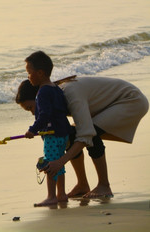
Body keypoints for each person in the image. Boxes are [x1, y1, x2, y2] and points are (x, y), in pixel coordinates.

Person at [16, 75, 148, 199]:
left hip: (130, 100)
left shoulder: (68, 94)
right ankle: (82, 184)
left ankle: (104, 185)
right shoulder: (54, 97)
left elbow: (86, 135)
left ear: (40, 97)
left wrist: (60, 162)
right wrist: (50, 156)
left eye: (31, 107)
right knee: (72, 135)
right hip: (107, 106)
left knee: (91, 135)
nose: (33, 113)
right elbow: (62, 134)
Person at [18, 51, 72, 206]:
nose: (28, 77)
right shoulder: (55, 88)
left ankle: (51, 196)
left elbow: (44, 115)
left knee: (50, 165)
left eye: (29, 73)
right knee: (58, 163)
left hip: (52, 135)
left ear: (40, 73)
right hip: (63, 133)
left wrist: (32, 130)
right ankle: (61, 194)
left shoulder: (42, 92)